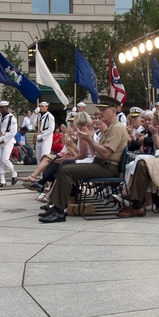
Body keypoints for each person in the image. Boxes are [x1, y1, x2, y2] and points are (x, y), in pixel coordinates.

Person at [39, 96, 129, 224]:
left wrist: (89, 140)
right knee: (64, 167)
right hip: (101, 164)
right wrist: (89, 140)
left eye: (104, 110)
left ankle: (58, 211)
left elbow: (106, 153)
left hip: (107, 167)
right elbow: (99, 152)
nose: (101, 112)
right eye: (100, 109)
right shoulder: (111, 128)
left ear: (114, 111)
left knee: (66, 171)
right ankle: (56, 206)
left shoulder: (117, 128)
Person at [0, 100, 19, 187]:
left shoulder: (12, 118)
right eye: (0, 107)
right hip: (0, 140)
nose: (2, 109)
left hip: (8, 141)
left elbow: (13, 132)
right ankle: (2, 180)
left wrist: (4, 139)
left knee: (5, 159)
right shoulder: (0, 117)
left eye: (3, 107)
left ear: (7, 107)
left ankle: (14, 173)